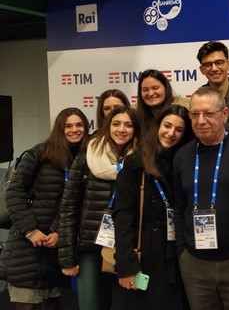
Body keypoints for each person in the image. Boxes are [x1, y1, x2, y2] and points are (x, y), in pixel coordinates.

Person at [173, 86, 229, 310]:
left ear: (224, 115)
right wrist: (183, 253)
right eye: (195, 114)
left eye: (208, 113)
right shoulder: (182, 156)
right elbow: (179, 207)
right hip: (195, 265)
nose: (201, 120)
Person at [0, 107, 89, 310]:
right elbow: (14, 193)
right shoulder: (39, 153)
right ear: (59, 128)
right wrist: (31, 230)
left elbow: (75, 204)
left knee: (53, 301)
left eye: (79, 125)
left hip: (56, 247)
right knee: (26, 301)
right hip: (27, 245)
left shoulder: (85, 159)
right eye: (68, 126)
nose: (74, 130)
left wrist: (59, 232)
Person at [111, 105, 194, 310]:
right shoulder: (136, 163)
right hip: (142, 255)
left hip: (175, 254)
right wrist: (126, 264)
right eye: (167, 125)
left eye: (179, 129)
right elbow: (122, 217)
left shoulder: (186, 162)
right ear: (157, 126)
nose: (171, 133)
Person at [58, 106, 140, 310]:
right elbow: (69, 207)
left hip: (129, 249)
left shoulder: (141, 159)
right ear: (107, 126)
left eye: (128, 125)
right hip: (91, 248)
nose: (122, 129)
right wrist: (67, 258)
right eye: (116, 124)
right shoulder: (88, 155)